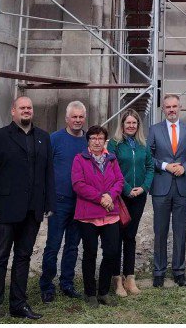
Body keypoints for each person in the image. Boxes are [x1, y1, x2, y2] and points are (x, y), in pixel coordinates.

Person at [0, 96, 54, 324]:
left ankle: (18, 304)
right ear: (13, 111)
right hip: (4, 211)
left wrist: (49, 203)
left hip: (32, 211)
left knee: (23, 258)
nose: (26, 111)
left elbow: (48, 173)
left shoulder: (43, 138)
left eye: (29, 108)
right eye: (22, 107)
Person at [147, 94, 186, 287]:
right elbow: (149, 157)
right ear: (163, 109)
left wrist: (184, 167)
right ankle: (159, 272)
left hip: (181, 188)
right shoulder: (154, 130)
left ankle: (179, 271)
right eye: (168, 107)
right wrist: (164, 166)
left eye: (175, 106)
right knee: (160, 231)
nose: (171, 110)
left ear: (180, 108)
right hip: (161, 188)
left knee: (180, 231)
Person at [71, 125, 124, 308]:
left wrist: (110, 195)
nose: (96, 141)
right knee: (90, 253)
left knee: (111, 252)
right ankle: (89, 293)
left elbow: (119, 180)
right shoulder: (80, 159)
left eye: (100, 138)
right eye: (93, 138)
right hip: (89, 216)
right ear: (88, 141)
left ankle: (103, 292)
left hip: (110, 214)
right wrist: (101, 197)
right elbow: (78, 184)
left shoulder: (111, 159)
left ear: (105, 141)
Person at [39, 101, 87, 303]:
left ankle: (67, 283)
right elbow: (44, 170)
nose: (77, 120)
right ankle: (47, 285)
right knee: (53, 244)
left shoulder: (88, 140)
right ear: (66, 118)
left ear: (85, 118)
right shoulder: (55, 139)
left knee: (73, 246)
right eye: (73, 117)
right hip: (59, 202)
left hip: (81, 202)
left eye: (80, 117)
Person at [106, 109, 154, 297]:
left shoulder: (143, 144)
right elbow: (111, 167)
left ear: (138, 125)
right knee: (117, 236)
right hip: (120, 196)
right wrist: (126, 189)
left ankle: (130, 277)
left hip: (139, 195)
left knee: (131, 236)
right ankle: (116, 279)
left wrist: (143, 187)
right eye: (128, 123)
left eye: (135, 123)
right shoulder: (115, 144)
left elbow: (150, 166)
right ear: (123, 125)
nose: (131, 126)